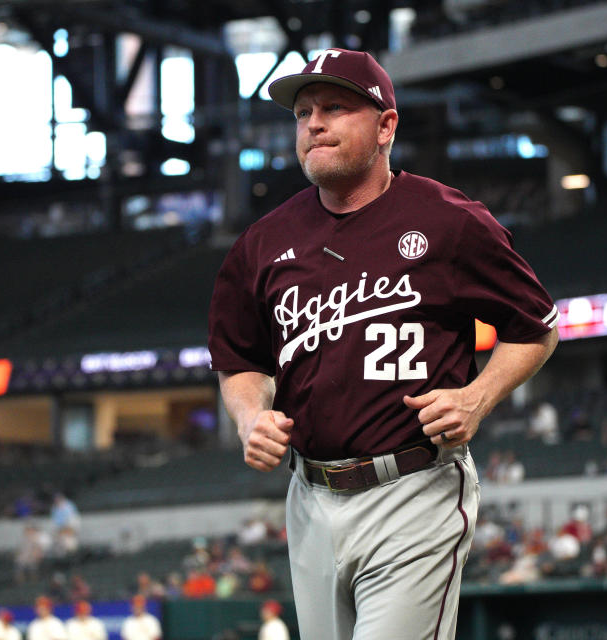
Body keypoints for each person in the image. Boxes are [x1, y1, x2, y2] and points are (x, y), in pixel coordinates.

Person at [209, 48, 558, 640]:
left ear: (386, 125)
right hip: (310, 495)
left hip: (413, 489)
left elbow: (537, 326)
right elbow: (240, 358)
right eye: (303, 112)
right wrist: (249, 417)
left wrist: (478, 396)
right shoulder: (263, 243)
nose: (313, 123)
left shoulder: (448, 220)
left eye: (335, 107)